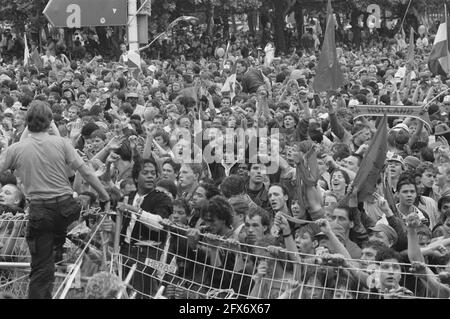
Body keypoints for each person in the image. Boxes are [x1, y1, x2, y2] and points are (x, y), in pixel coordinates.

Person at [0, 101, 110, 299]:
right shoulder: (61, 143)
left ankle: (55, 259)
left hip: (41, 212)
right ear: (50, 123)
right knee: (60, 256)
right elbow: (85, 170)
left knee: (41, 269)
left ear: (27, 123)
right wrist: (104, 195)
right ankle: (57, 254)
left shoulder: (16, 149)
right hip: (67, 210)